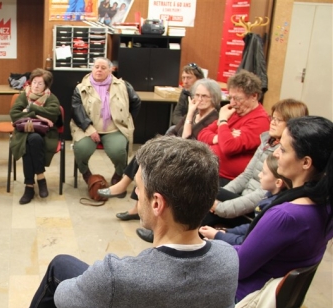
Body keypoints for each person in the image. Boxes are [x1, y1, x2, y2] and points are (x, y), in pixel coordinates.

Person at [0, 136, 238, 308]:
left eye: (138, 190)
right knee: (70, 274)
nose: (136, 197)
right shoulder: (228, 259)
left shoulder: (117, 277)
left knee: (60, 274)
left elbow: (64, 301)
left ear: (156, 203)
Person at [234, 116, 333, 301]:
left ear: (306, 162)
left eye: (284, 149)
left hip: (245, 297)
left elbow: (239, 268)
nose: (276, 154)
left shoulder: (286, 216)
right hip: (273, 296)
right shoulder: (325, 204)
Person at [99, 78, 221, 220]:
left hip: (189, 160)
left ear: (214, 98)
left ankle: (125, 190)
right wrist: (163, 143)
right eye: (197, 95)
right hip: (177, 150)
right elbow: (174, 131)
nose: (199, 99)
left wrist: (189, 113)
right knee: (146, 153)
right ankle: (133, 202)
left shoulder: (214, 119)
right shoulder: (195, 114)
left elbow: (188, 139)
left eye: (204, 96)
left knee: (148, 160)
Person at [201, 98, 309, 229]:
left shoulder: (284, 154)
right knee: (206, 191)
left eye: (278, 120)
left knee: (204, 210)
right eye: (272, 118)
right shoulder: (267, 141)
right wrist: (220, 196)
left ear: (292, 125)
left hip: (256, 210)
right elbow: (247, 175)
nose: (272, 123)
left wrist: (221, 207)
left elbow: (263, 194)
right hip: (243, 197)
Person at [71, 57, 141, 185]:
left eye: (103, 68)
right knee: (80, 149)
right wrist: (89, 128)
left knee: (119, 151)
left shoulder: (124, 86)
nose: (99, 70)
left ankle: (118, 175)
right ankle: (86, 173)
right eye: (96, 67)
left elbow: (136, 102)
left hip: (114, 129)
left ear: (110, 70)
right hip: (88, 129)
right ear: (92, 68)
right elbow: (77, 110)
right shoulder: (80, 88)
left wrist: (126, 119)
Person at [198, 70, 270, 186]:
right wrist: (218, 137)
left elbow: (228, 147)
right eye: (230, 97)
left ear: (254, 96)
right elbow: (202, 134)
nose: (232, 103)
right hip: (210, 171)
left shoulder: (260, 120)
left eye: (237, 98)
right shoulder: (233, 112)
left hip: (229, 180)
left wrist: (222, 121)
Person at [200, 154, 291, 244]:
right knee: (208, 191)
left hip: (245, 248)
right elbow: (252, 226)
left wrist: (218, 235)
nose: (259, 175)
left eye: (264, 173)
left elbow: (249, 242)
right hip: (244, 229)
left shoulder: (273, 209)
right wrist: (226, 232)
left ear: (278, 182)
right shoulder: (269, 195)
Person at [9, 68, 61, 204]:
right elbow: (14, 114)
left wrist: (30, 108)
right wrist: (36, 115)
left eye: (40, 83)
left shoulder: (51, 97)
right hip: (24, 131)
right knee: (31, 140)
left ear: (46, 86)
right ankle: (40, 178)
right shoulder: (23, 95)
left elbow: (53, 114)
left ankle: (29, 187)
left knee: (33, 140)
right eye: (34, 82)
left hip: (45, 134)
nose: (36, 86)